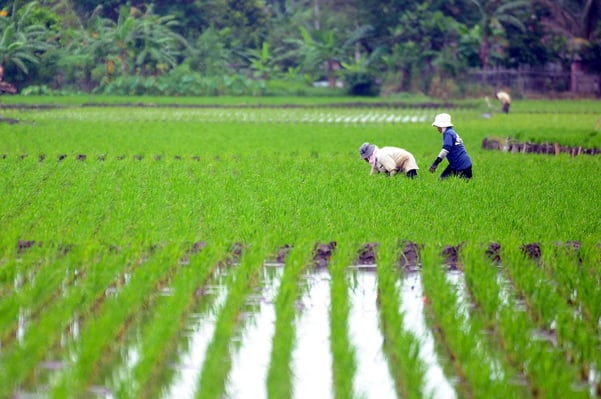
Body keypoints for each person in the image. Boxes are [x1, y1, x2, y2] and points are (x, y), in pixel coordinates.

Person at [429, 113, 472, 179]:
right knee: (442, 180)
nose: (437, 128)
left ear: (442, 126)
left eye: (438, 126)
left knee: (445, 181)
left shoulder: (448, 134)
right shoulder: (451, 132)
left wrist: (435, 163)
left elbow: (445, 150)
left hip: (461, 165)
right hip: (460, 163)